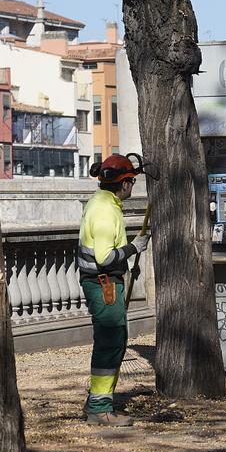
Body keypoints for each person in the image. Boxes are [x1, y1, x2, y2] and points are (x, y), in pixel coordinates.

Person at [76, 154, 151, 426]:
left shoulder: (101, 202)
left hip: (101, 281)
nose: (132, 185)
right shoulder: (107, 212)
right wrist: (134, 247)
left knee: (112, 340)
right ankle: (100, 408)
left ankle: (97, 400)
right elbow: (105, 258)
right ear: (125, 183)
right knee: (111, 342)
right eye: (131, 180)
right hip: (103, 282)